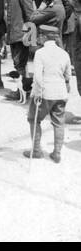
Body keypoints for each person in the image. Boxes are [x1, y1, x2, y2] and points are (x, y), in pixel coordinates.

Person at [26, 25, 72, 162]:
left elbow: (38, 77)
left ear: (44, 37)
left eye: (40, 35)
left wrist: (38, 93)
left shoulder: (40, 53)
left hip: (45, 93)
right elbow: (68, 75)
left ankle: (36, 151)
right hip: (61, 93)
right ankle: (57, 153)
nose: (39, 38)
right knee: (59, 123)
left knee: (34, 120)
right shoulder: (64, 53)